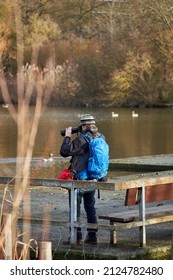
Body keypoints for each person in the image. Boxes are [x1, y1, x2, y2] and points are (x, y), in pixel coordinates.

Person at [59, 114, 107, 245]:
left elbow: (64, 151)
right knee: (90, 207)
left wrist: (68, 136)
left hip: (80, 179)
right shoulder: (101, 137)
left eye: (80, 127)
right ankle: (92, 237)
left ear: (84, 126)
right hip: (93, 178)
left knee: (75, 209)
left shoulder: (82, 139)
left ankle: (77, 237)